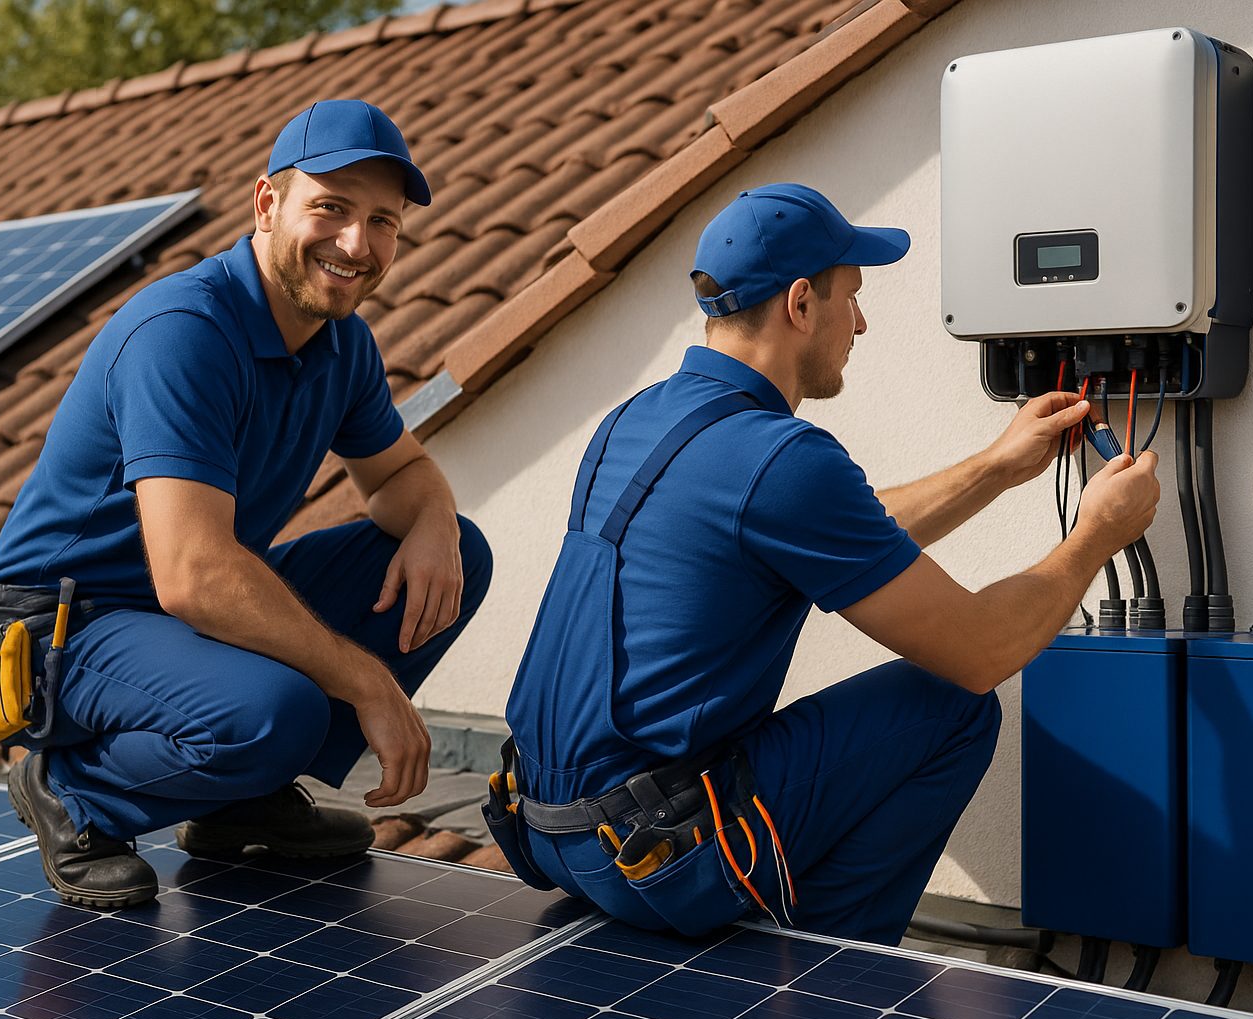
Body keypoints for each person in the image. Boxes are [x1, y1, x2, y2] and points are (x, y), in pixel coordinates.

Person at [495, 183, 1159, 943]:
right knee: (953, 705)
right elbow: (982, 652)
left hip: (546, 831)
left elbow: (829, 532)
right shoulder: (782, 460)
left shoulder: (638, 419)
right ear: (802, 304)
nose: (863, 322)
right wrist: (1096, 534)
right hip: (652, 861)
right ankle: (822, 968)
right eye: (854, 296)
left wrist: (997, 467)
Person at [0, 100, 492, 908]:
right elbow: (193, 576)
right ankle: (71, 793)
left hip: (173, 618)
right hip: (62, 625)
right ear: (267, 205)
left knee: (462, 549)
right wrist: (368, 684)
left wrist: (432, 523)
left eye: (382, 222)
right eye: (330, 208)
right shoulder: (184, 330)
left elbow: (401, 474)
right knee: (277, 711)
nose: (357, 244)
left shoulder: (342, 343)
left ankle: (234, 803)